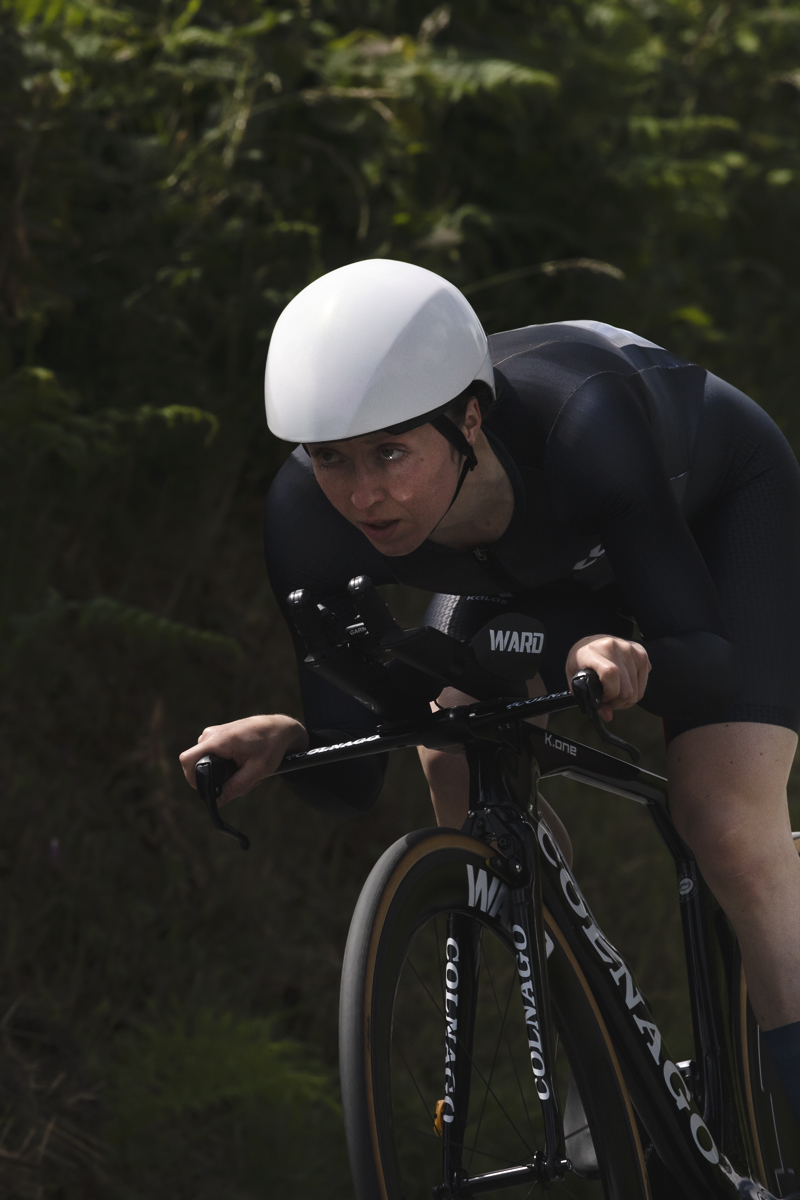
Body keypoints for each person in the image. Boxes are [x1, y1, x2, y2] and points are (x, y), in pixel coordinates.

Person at [179, 258, 800, 1117]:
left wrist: (619, 650)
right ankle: (597, 1072)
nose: (362, 494)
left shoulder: (586, 426)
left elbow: (705, 662)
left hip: (712, 513)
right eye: (330, 458)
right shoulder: (304, 516)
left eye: (391, 452)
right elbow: (354, 780)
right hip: (524, 573)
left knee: (724, 819)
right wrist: (292, 741)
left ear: (469, 420)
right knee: (451, 759)